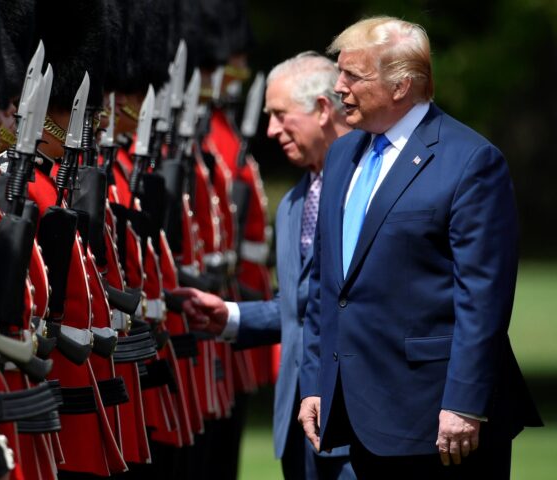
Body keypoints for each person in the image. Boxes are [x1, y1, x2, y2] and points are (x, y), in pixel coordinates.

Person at [297, 16, 543, 480]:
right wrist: (316, 383)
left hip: (442, 423)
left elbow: (483, 300)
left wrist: (464, 403)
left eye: (353, 75)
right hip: (358, 413)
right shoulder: (342, 154)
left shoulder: (470, 161)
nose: (338, 87)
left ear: (401, 85)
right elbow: (327, 285)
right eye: (339, 72)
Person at [174, 52, 355, 480]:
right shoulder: (296, 200)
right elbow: (302, 302)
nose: (270, 130)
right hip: (299, 421)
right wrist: (231, 315)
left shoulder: (367, 191)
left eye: (280, 115)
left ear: (323, 110)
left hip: (357, 418)